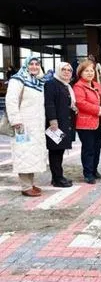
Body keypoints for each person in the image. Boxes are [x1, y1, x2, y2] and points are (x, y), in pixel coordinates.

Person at [6, 57, 47, 197]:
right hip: (22, 125)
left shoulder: (38, 81)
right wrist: (16, 121)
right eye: (31, 64)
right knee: (23, 152)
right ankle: (25, 186)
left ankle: (30, 183)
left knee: (32, 154)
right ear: (26, 65)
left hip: (36, 125)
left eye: (37, 64)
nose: (34, 66)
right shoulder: (18, 80)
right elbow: (11, 101)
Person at [73, 61, 101, 184]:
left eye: (91, 70)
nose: (89, 73)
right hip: (85, 124)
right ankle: (88, 173)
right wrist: (98, 110)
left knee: (97, 148)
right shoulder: (78, 86)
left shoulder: (97, 85)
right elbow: (81, 103)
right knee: (88, 149)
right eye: (86, 71)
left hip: (99, 122)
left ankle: (94, 170)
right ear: (80, 73)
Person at [44, 62, 77, 187]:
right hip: (56, 124)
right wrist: (52, 120)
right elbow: (49, 103)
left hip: (64, 122)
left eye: (69, 70)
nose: (67, 72)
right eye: (64, 69)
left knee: (60, 150)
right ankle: (57, 179)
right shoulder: (51, 84)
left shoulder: (66, 86)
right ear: (58, 70)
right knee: (55, 151)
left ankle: (58, 176)